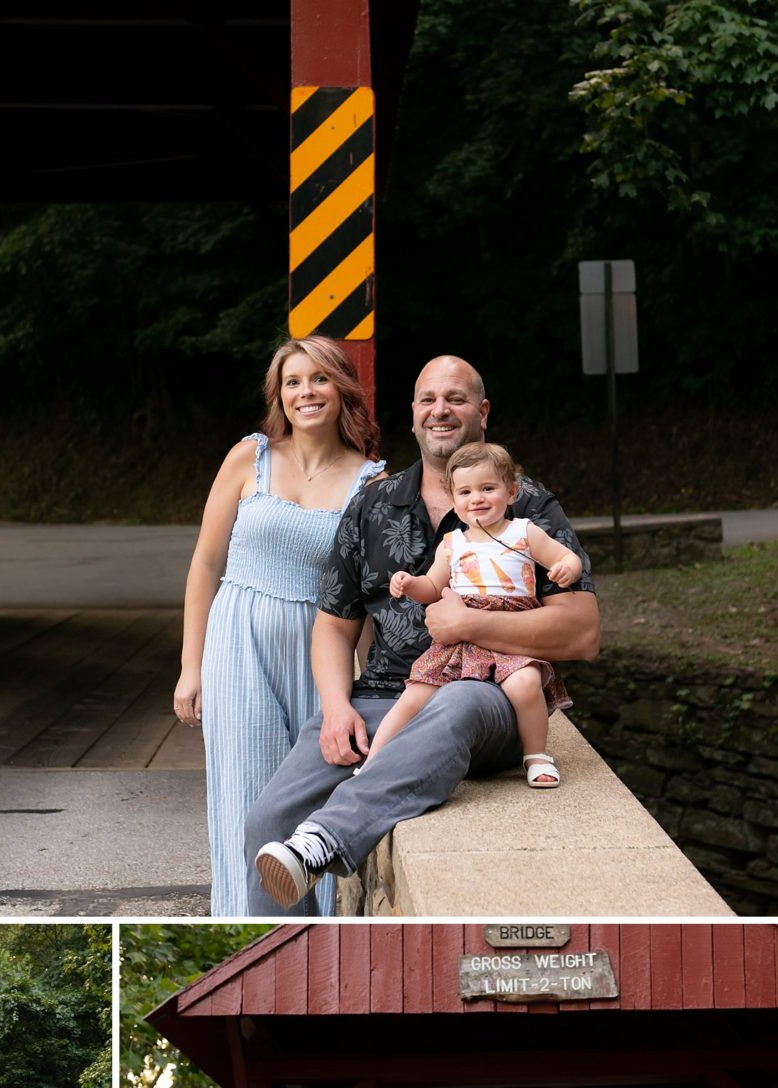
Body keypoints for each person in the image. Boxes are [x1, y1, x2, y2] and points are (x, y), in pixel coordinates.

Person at [248, 354, 599, 913]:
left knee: (457, 702)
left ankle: (326, 838)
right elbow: (334, 629)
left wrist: (472, 624)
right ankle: (284, 962)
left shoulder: (527, 505)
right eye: (428, 400)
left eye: (456, 399)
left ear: (482, 413)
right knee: (268, 816)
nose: (441, 411)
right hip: (383, 696)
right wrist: (337, 706)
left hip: (488, 696)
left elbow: (583, 632)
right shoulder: (373, 505)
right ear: (412, 416)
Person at [173, 336, 384, 916]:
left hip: (319, 653)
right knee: (247, 802)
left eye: (318, 379)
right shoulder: (250, 457)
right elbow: (205, 564)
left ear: (342, 389)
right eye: (292, 382)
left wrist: (362, 688)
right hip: (239, 643)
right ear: (279, 395)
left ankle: (308, 932)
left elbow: (365, 599)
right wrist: (191, 667)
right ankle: (242, 922)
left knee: (308, 802)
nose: (305, 393)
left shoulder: (372, 483)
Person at [363, 441, 581, 789]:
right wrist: (409, 583)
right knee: (415, 694)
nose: (476, 498)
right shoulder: (453, 543)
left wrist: (566, 568)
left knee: (525, 685)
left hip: (509, 633)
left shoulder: (523, 532)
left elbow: (565, 556)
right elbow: (433, 586)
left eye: (487, 488)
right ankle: (375, 759)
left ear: (511, 492)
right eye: (465, 492)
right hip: (462, 636)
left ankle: (537, 756)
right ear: (454, 500)